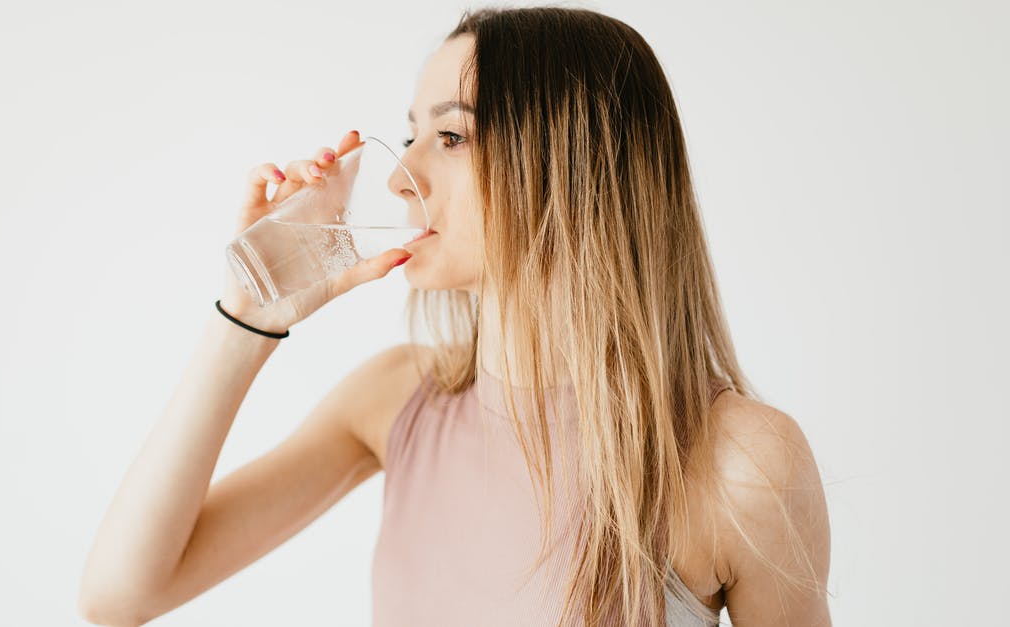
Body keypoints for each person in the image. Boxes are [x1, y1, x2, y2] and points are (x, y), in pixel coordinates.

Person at [78, 6, 831, 626]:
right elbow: (120, 595)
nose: (401, 176)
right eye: (410, 134)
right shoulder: (398, 398)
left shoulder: (740, 463)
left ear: (574, 165)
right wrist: (246, 315)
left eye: (450, 136)